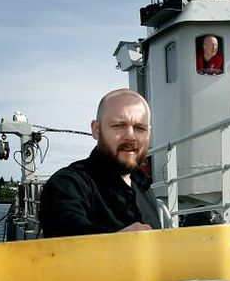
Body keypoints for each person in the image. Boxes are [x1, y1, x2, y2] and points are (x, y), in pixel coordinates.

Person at [39, 88, 162, 238]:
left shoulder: (143, 186)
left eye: (140, 128)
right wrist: (119, 242)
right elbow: (66, 235)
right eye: (118, 126)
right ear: (96, 129)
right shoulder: (68, 185)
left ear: (149, 133)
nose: (131, 136)